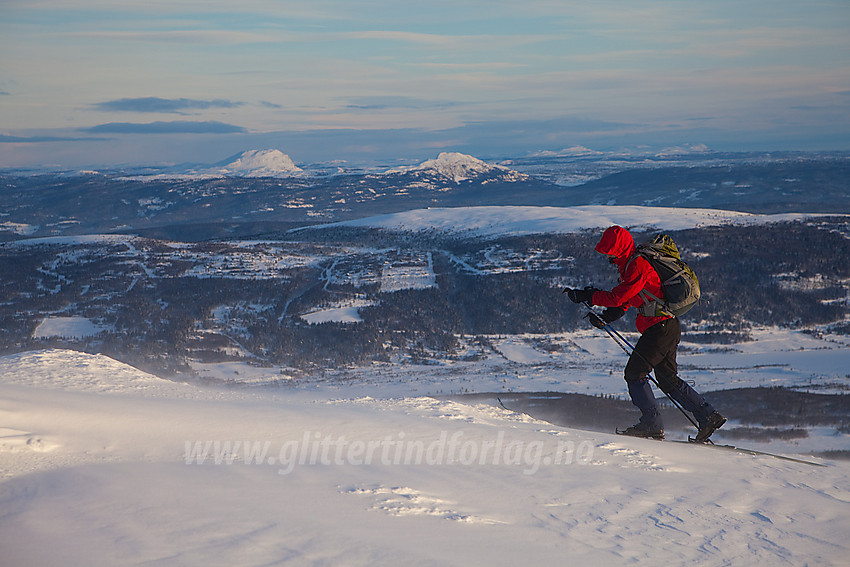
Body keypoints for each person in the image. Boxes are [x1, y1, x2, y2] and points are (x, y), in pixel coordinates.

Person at [565, 225, 726, 442]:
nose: (609, 257)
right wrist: (607, 317)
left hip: (659, 329)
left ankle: (652, 424)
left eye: (610, 251)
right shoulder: (631, 266)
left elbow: (618, 298)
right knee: (667, 380)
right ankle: (708, 416)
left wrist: (589, 295)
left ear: (620, 249)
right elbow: (629, 300)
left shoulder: (637, 265)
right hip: (666, 327)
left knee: (635, 373)